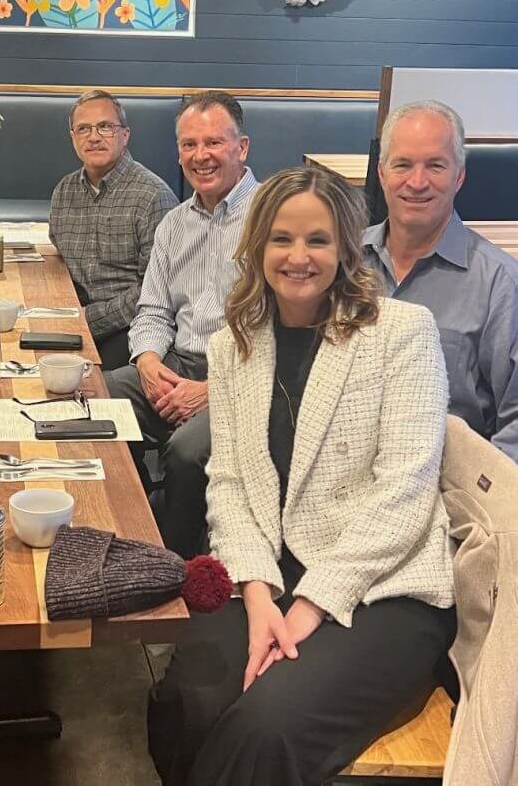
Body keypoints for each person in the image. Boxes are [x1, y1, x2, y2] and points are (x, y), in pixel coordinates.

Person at [147, 167, 455, 786]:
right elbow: (229, 484)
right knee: (191, 704)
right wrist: (259, 595)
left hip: (382, 587)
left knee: (265, 729)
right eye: (281, 239)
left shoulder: (402, 333)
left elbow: (405, 494)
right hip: (271, 569)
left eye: (317, 240)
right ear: (257, 246)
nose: (297, 256)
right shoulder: (237, 343)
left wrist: (310, 606)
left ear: (344, 247)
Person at [106, 92, 257, 555]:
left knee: (188, 451)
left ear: (242, 147)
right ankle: (122, 528)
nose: (201, 156)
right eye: (189, 145)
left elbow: (284, 336)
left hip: (243, 375)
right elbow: (153, 309)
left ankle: (174, 562)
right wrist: (148, 362)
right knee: (98, 401)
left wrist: (215, 388)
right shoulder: (173, 223)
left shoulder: (272, 218)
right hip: (175, 363)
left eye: (214, 142)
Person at [364, 99, 518, 462]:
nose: (417, 183)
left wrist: (476, 492)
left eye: (436, 166)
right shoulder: (342, 263)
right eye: (402, 165)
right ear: (383, 172)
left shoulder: (500, 285)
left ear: (459, 176)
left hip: (447, 484)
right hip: (342, 478)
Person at [49, 90, 178, 370]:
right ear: (73, 137)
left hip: (130, 330)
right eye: (83, 129)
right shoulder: (63, 192)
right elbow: (58, 255)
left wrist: (87, 319)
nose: (93, 137)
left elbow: (154, 293)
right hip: (75, 317)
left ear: (125, 135)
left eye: (105, 127)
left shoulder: (152, 197)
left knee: (74, 383)